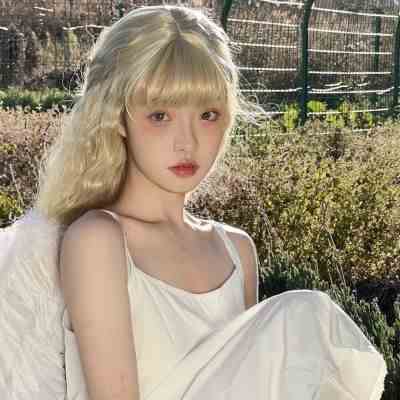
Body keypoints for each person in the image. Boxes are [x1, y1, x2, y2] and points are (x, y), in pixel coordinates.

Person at [0, 4, 387, 400]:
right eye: (159, 115)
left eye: (207, 114)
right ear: (117, 116)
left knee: (305, 316)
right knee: (303, 313)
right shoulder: (98, 240)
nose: (187, 142)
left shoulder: (236, 250)